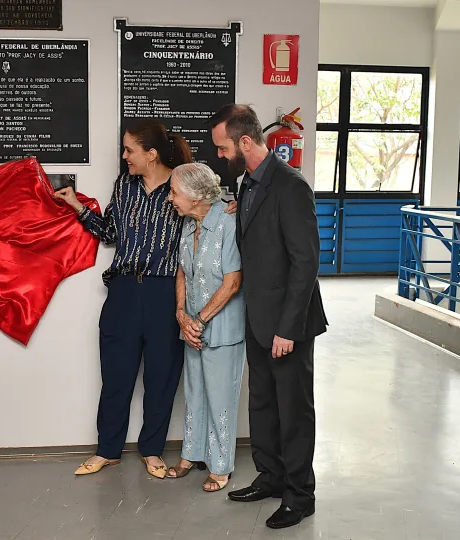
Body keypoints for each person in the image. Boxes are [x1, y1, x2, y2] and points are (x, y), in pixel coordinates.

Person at [208, 104, 327, 528]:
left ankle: (300, 495)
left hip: (286, 326)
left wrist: (288, 328)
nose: (219, 156)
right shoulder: (247, 185)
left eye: (223, 148)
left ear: (244, 142)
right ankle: (271, 477)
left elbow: (305, 263)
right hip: (256, 319)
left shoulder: (291, 186)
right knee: (262, 405)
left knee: (293, 410)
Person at [53, 119, 192, 479]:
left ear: (152, 154)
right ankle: (107, 450)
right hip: (124, 291)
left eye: (130, 150)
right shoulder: (124, 185)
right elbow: (110, 233)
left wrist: (232, 207)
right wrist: (77, 207)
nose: (124, 156)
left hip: (165, 292)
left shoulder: (182, 185)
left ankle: (152, 450)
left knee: (162, 377)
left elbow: (206, 215)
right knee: (116, 375)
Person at [163, 162, 244, 493]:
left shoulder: (228, 221)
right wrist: (181, 314)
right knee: (194, 392)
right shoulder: (187, 224)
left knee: (220, 396)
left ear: (195, 195)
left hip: (221, 328)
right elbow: (182, 271)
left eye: (174, 192)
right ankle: (191, 454)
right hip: (192, 326)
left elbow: (233, 282)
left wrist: (199, 320)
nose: (170, 199)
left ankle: (221, 465)